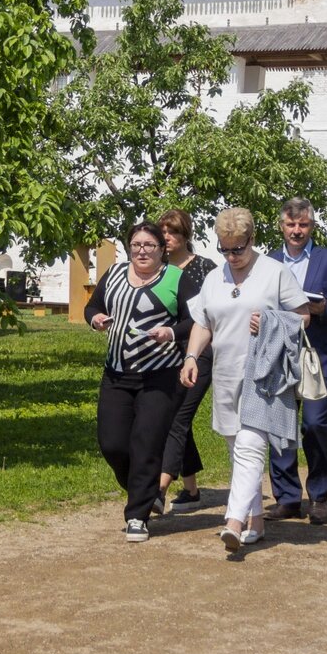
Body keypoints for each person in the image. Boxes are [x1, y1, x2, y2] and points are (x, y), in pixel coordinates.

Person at [181, 208, 309, 551]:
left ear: (252, 239)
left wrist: (271, 321)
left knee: (250, 447)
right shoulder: (214, 278)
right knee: (237, 449)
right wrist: (191, 357)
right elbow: (203, 323)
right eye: (224, 249)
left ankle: (234, 522)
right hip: (225, 373)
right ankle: (257, 521)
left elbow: (303, 316)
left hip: (264, 374)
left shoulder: (274, 272)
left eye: (237, 248)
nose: (231, 256)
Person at [85, 222, 199, 543]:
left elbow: (197, 319)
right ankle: (144, 489)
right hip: (117, 374)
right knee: (113, 444)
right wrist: (95, 319)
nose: (142, 251)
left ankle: (137, 515)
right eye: (136, 245)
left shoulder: (176, 279)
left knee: (146, 444)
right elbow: (93, 306)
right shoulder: (114, 274)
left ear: (162, 249)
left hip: (160, 376)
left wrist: (171, 332)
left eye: (149, 245)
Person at [264, 198, 327, 526]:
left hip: (318, 356)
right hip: (278, 355)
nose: (296, 230)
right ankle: (287, 498)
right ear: (281, 226)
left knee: (315, 425)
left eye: (303, 225)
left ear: (312, 226)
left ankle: (319, 497)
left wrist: (323, 308)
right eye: (291, 224)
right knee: (280, 428)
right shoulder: (268, 262)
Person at [155, 208, 218, 512]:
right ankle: (191, 491)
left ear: (185, 235)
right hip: (166, 354)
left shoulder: (205, 268)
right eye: (163, 232)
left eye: (173, 232)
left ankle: (158, 489)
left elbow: (214, 312)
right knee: (178, 417)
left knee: (177, 417)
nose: (167, 237)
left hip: (201, 353)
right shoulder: (158, 269)